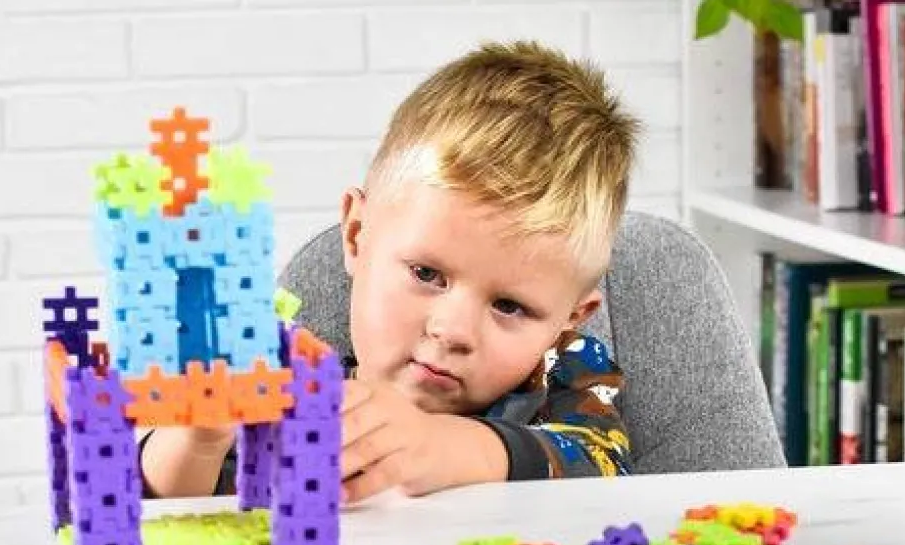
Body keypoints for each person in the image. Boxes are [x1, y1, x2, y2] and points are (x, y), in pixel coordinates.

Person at [139, 40, 641, 504]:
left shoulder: (562, 372)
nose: (452, 330)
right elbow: (161, 507)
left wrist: (438, 446)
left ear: (570, 317)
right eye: (426, 273)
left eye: (509, 306)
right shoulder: (290, 386)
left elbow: (602, 463)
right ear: (357, 234)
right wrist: (198, 441)